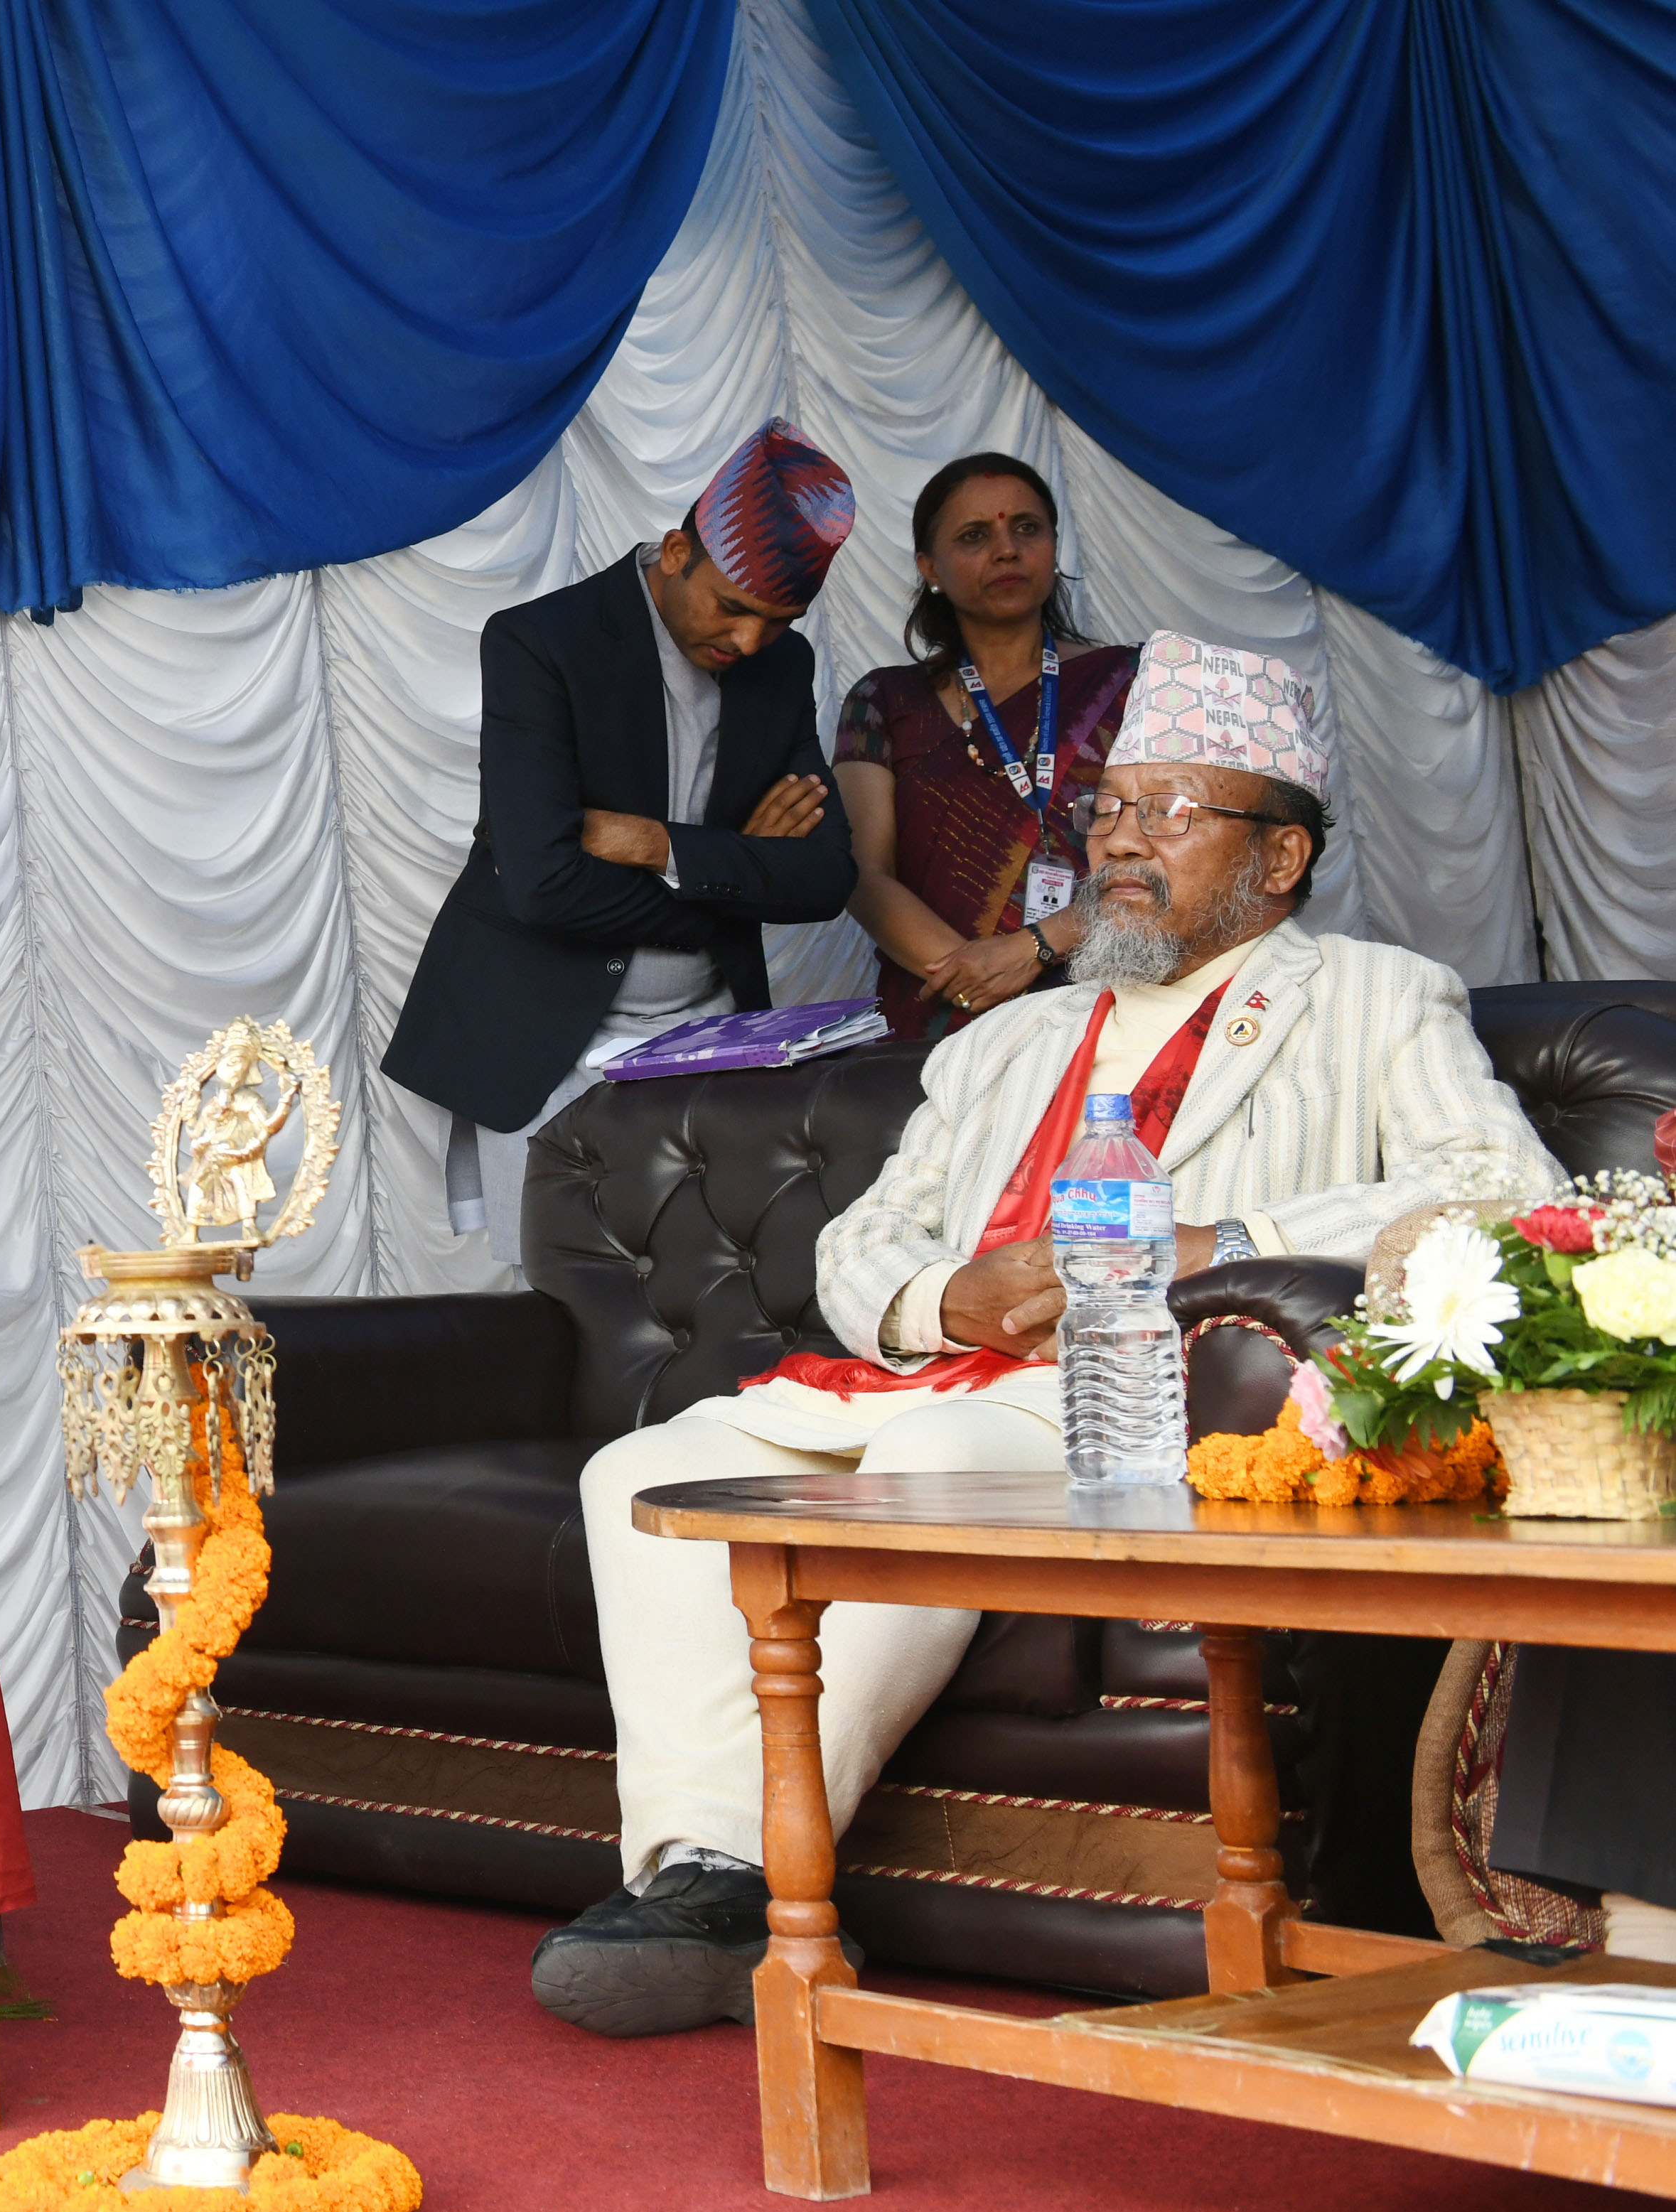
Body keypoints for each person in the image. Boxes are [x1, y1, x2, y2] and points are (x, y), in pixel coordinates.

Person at [530, 632, 1562, 2038]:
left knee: (944, 1456)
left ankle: (722, 1876)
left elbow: (1504, 1189)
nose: (1119, 842)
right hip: (930, 1372)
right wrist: (937, 1298)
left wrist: (1219, 1244)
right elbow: (861, 1243)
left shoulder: (1375, 998)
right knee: (639, 1472)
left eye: (1170, 812)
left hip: (1136, 1386)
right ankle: (703, 1874)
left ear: (1280, 858)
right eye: (1109, 810)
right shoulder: (1003, 1041)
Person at [383, 418, 862, 1261]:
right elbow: (543, 886)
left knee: (716, 1276)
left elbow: (825, 878)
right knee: (563, 1290)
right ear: (676, 552)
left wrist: (662, 847)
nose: (748, 642)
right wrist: (734, 869)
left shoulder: (782, 667)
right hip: (544, 1030)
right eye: (733, 608)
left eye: (778, 622)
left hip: (711, 1032)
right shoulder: (542, 643)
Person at [834, 455, 1138, 1042]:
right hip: (941, 1020)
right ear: (930, 567)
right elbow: (862, 874)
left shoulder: (1128, 685)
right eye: (974, 536)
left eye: (1027, 528)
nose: (1007, 550)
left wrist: (1034, 948)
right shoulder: (883, 701)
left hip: (1107, 1009)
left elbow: (1167, 858)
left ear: (1054, 546)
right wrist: (977, 980)